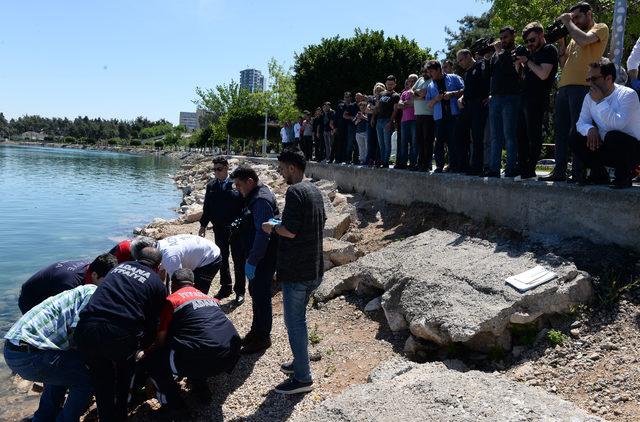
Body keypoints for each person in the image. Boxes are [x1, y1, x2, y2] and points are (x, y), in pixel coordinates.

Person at [75, 247, 166, 422]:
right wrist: (144, 349)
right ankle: (120, 414)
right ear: (158, 265)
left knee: (101, 382)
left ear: (137, 257)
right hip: (119, 334)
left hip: (86, 328)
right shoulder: (156, 282)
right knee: (125, 375)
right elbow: (152, 324)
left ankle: (107, 416)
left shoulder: (117, 268)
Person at [262, 150, 326, 394]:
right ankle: (300, 363)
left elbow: (290, 231)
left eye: (281, 168)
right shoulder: (314, 190)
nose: (280, 173)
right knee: (300, 320)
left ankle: (303, 378)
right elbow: (313, 223)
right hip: (314, 269)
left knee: (295, 323)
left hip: (298, 272)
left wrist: (272, 227)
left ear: (291, 168)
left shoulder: (295, 191)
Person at [141, 269, 241, 415]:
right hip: (230, 357)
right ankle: (201, 390)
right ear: (193, 284)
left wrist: (145, 352)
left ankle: (175, 406)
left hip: (202, 360)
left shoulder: (172, 300)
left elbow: (160, 340)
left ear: (173, 285)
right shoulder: (211, 299)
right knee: (193, 341)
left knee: (155, 361)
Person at [4, 285, 100, 422]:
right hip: (31, 355)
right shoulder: (94, 293)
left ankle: (43, 418)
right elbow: (79, 333)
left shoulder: (79, 291)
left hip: (12, 349)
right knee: (86, 380)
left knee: (62, 373)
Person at [541, 1, 609, 182]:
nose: (575, 21)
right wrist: (562, 40)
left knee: (577, 132)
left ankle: (578, 173)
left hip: (583, 88)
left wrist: (566, 21)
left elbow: (584, 40)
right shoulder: (573, 36)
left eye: (577, 17)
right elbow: (564, 63)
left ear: (589, 14)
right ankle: (560, 171)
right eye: (572, 18)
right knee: (561, 131)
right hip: (564, 88)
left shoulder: (600, 28)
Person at [230, 165, 279, 354]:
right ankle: (255, 331)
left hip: (262, 258)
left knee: (261, 296)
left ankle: (263, 337)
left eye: (239, 185)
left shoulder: (260, 200)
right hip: (258, 256)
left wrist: (253, 260)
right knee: (255, 293)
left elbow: (263, 233)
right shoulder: (256, 194)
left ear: (250, 182)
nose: (237, 188)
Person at [571, 58, 640, 188]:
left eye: (594, 79)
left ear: (608, 78)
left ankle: (624, 177)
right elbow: (580, 123)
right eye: (588, 79)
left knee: (613, 136)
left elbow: (617, 125)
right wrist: (590, 129)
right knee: (575, 137)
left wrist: (601, 102)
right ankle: (599, 175)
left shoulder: (628, 95)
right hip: (608, 145)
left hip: (632, 150)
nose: (590, 83)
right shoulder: (589, 97)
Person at [199, 156, 246, 304]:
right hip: (219, 229)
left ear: (226, 168)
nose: (216, 172)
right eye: (214, 170)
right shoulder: (211, 186)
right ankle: (226, 287)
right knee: (222, 260)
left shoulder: (236, 184)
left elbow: (245, 206)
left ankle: (240, 291)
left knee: (238, 261)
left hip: (236, 230)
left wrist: (241, 223)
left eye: (219, 169)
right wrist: (203, 224)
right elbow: (207, 207)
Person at [515, 22, 559, 180]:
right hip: (524, 97)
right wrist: (519, 61)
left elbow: (543, 74)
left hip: (537, 98)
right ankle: (523, 170)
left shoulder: (549, 49)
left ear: (541, 35)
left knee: (534, 135)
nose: (529, 44)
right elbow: (519, 76)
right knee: (520, 135)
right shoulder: (531, 54)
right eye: (527, 42)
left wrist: (527, 61)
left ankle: (530, 169)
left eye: (532, 40)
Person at [18, 253, 117, 314]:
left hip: (49, 287)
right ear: (95, 275)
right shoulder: (70, 284)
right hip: (31, 300)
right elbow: (62, 313)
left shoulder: (90, 268)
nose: (107, 284)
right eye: (106, 280)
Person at [486, 26, 523, 178]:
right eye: (501, 38)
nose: (502, 41)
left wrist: (500, 52)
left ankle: (510, 169)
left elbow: (512, 71)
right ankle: (494, 169)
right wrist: (489, 57)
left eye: (506, 37)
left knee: (509, 135)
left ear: (513, 36)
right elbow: (487, 74)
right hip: (495, 98)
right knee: (495, 136)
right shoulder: (497, 54)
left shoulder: (518, 51)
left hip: (511, 97)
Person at [426, 60, 464, 173]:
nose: (430, 74)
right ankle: (439, 166)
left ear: (438, 70)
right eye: (429, 72)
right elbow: (429, 104)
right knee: (439, 143)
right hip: (439, 117)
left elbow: (464, 91)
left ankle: (454, 165)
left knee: (454, 141)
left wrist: (451, 94)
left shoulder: (454, 78)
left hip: (454, 115)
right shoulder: (430, 85)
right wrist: (436, 99)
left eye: (431, 71)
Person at [456, 49, 490, 175]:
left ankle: (477, 167)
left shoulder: (481, 65)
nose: (460, 63)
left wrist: (491, 95)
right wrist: (461, 98)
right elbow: (467, 90)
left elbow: (489, 80)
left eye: (461, 59)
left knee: (477, 137)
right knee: (460, 134)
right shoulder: (467, 73)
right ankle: (463, 164)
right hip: (467, 106)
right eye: (458, 61)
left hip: (479, 105)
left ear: (469, 56)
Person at [156, 234, 222, 295]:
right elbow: (161, 275)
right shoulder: (159, 245)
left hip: (210, 257)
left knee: (198, 292)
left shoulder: (170, 257)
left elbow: (179, 280)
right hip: (198, 253)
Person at [412, 64, 435, 171]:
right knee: (419, 140)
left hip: (429, 115)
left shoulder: (432, 81)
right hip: (418, 114)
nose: (425, 74)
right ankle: (420, 162)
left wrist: (419, 94)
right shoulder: (420, 79)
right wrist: (419, 94)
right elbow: (411, 92)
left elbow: (425, 93)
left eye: (427, 72)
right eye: (424, 72)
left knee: (428, 140)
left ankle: (427, 163)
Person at [375, 76, 401, 168]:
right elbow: (377, 107)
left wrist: (390, 122)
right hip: (379, 120)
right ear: (385, 83)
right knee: (381, 143)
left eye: (391, 84)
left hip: (387, 120)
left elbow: (395, 110)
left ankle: (385, 161)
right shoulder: (381, 94)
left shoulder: (396, 95)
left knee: (387, 143)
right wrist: (373, 116)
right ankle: (381, 160)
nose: (389, 86)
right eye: (388, 84)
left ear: (395, 84)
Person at [398, 74, 418, 169]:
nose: (411, 82)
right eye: (410, 81)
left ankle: (413, 163)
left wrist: (406, 104)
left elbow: (416, 103)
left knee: (414, 142)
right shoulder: (404, 93)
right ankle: (403, 163)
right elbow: (399, 105)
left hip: (415, 119)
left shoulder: (417, 92)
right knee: (404, 143)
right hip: (404, 120)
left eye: (414, 80)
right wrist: (409, 103)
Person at [366, 83, 385, 166]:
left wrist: (374, 109)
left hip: (379, 121)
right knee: (370, 141)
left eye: (380, 90)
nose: (378, 92)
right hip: (370, 122)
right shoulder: (371, 98)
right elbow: (367, 110)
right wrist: (375, 109)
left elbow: (379, 110)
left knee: (379, 141)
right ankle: (370, 159)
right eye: (376, 90)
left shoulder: (384, 99)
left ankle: (378, 159)